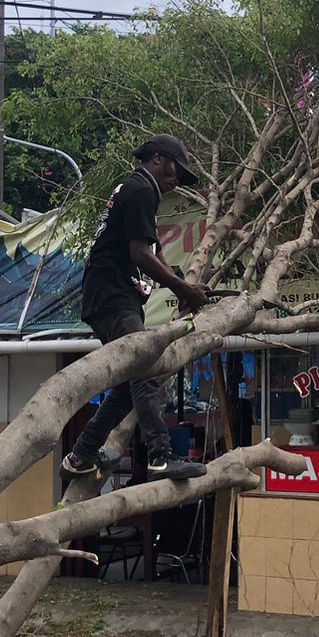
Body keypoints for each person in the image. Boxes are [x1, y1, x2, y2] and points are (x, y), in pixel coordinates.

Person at [62, 134, 210, 482]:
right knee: (144, 367)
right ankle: (161, 455)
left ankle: (81, 454)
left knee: (130, 385)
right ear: (158, 159)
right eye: (176, 171)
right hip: (112, 297)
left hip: (110, 295)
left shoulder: (136, 188)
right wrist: (184, 290)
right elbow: (139, 255)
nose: (177, 181)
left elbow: (152, 253)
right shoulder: (142, 190)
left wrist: (184, 284)